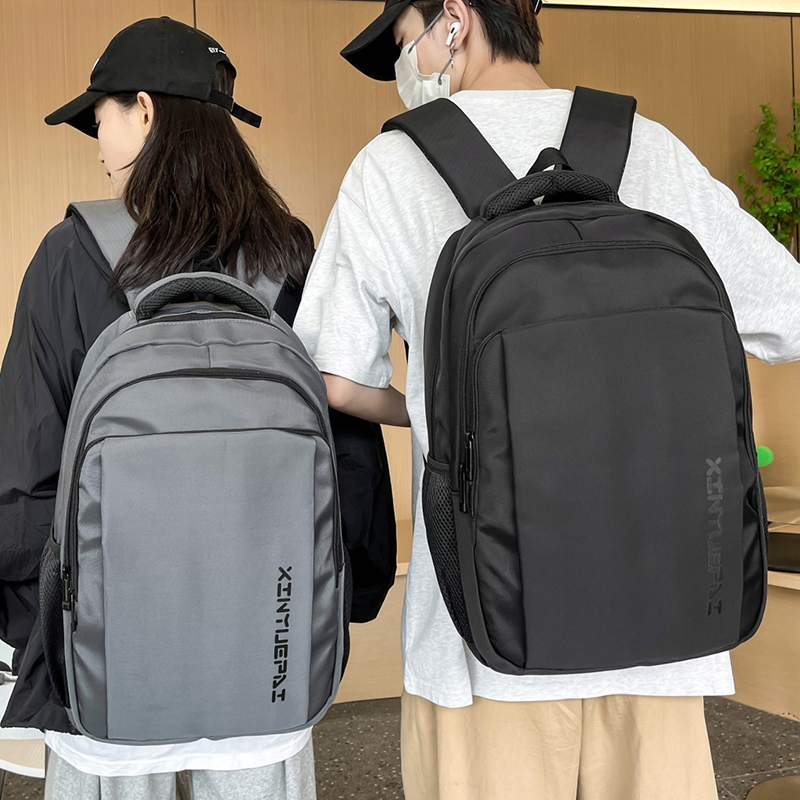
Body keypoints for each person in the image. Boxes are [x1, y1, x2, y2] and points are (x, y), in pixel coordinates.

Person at [293, 1, 800, 799]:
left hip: (481, 631)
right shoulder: (649, 145)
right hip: (664, 625)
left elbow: (329, 375)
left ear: (454, 19)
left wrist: (426, 408)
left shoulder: (390, 168)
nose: (405, 67)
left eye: (404, 42)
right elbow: (789, 316)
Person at [0, 15, 393, 799]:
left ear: (143, 110)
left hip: (105, 671)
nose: (98, 144)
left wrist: (40, 631)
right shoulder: (288, 254)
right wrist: (335, 604)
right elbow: (345, 462)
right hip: (266, 664)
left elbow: (24, 477)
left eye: (99, 119)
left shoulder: (68, 257)